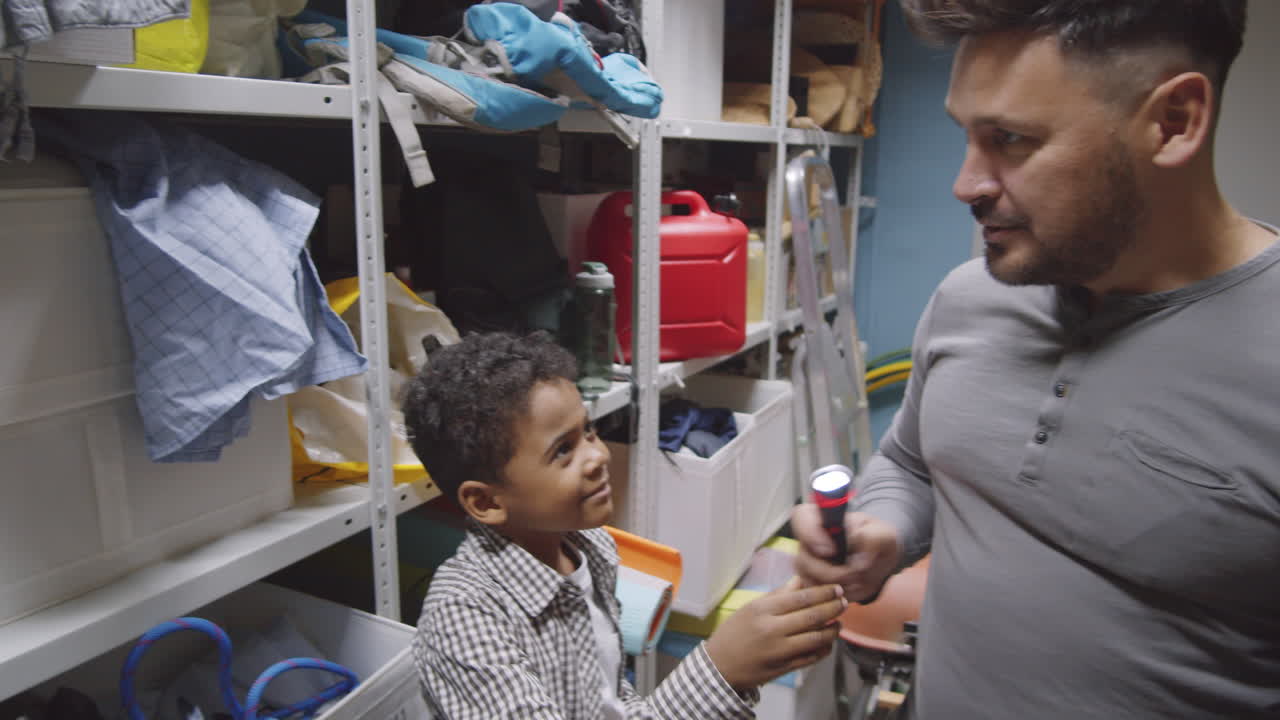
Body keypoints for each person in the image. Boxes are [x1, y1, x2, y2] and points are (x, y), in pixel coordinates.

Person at [790, 1, 1280, 718]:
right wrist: (884, 531)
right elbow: (913, 463)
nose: (966, 184)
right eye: (967, 135)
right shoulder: (970, 295)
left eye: (1011, 140)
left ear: (1173, 121)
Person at [402, 331, 847, 719]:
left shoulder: (589, 547)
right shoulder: (463, 619)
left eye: (589, 431)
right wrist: (719, 671)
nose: (598, 456)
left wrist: (741, 668)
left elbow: (608, 699)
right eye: (563, 451)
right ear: (485, 501)